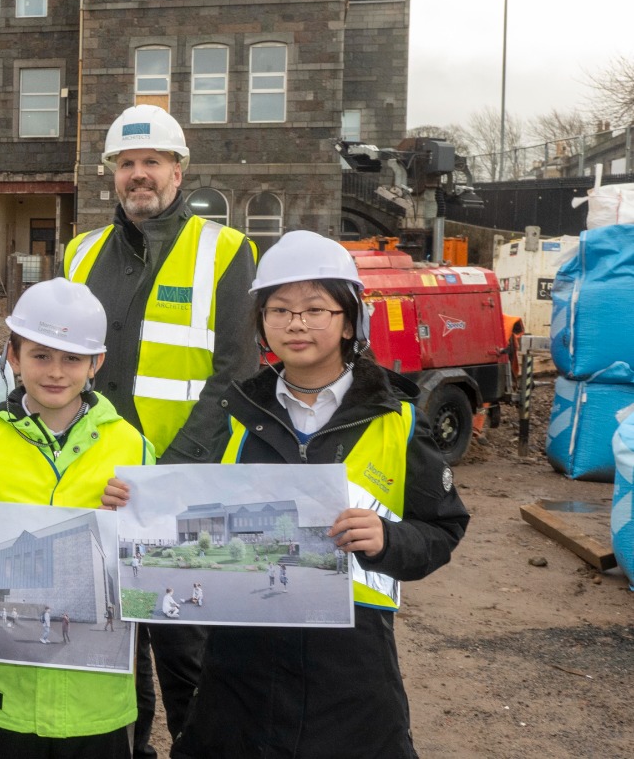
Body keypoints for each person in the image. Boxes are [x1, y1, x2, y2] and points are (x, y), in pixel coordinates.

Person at [165, 231, 469, 758]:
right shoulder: (234, 415)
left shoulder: (397, 421)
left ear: (349, 321)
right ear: (261, 321)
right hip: (241, 663)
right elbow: (181, 510)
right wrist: (135, 504)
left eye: (315, 309)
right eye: (279, 310)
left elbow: (442, 528)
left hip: (351, 664)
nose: (296, 323)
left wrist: (389, 539)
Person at [65, 104, 259, 757]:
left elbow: (236, 376)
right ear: (112, 174)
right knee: (112, 650)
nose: (139, 174)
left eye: (152, 161)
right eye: (127, 163)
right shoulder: (80, 253)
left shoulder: (225, 251)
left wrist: (168, 478)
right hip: (96, 488)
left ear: (178, 170)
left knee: (186, 654)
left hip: (183, 495)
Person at [0, 277, 156, 758]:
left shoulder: (133, 447)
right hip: (8, 693)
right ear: (14, 356)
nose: (56, 372)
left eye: (72, 358)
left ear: (96, 363)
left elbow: (149, 563)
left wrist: (125, 526)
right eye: (40, 355)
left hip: (96, 699)